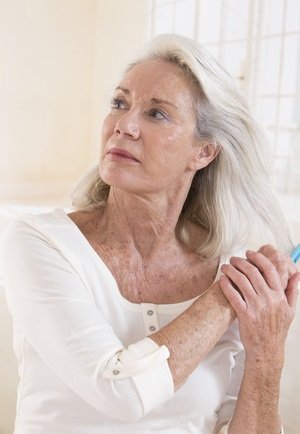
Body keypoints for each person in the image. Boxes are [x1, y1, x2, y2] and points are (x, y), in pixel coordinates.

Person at [1, 34, 299, 434]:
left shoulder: (231, 268)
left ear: (204, 152)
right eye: (120, 103)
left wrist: (267, 350)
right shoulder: (41, 242)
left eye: (156, 114)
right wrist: (223, 298)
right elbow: (120, 391)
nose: (124, 126)